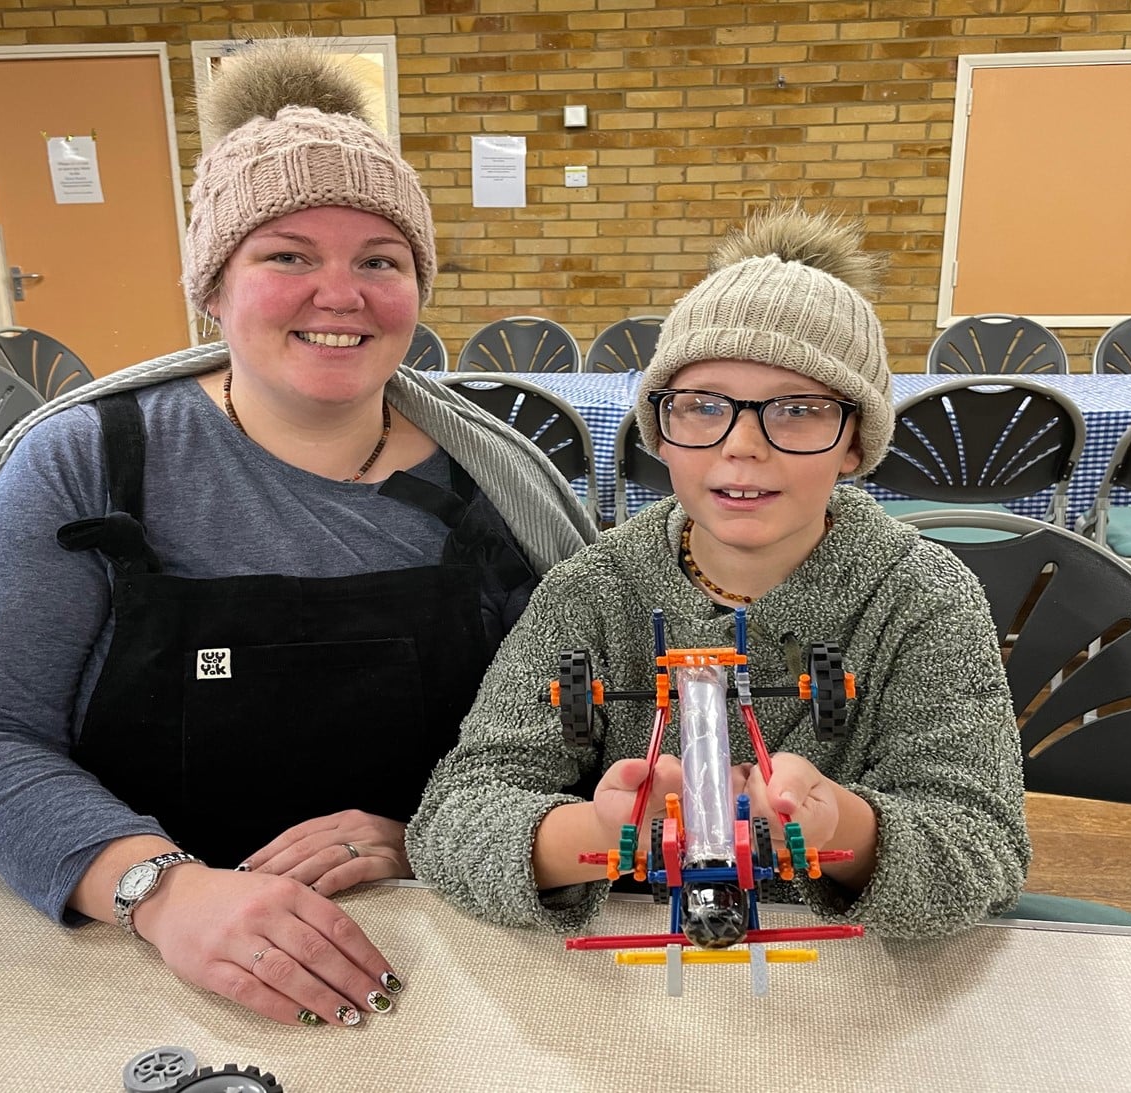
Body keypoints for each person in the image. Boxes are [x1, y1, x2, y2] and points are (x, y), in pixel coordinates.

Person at [0, 38, 596, 1029]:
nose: (341, 292)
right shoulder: (87, 461)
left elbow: (578, 733)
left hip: (439, 954)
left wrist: (430, 835)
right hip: (124, 959)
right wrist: (164, 890)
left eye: (379, 260)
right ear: (215, 286)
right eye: (287, 255)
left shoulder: (495, 488)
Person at [407, 207, 1029, 939]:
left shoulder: (922, 597)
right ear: (659, 431)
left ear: (855, 441)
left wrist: (842, 824)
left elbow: (983, 847)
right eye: (701, 407)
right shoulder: (591, 591)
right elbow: (452, 817)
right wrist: (602, 830)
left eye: (797, 410)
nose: (741, 446)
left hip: (862, 984)